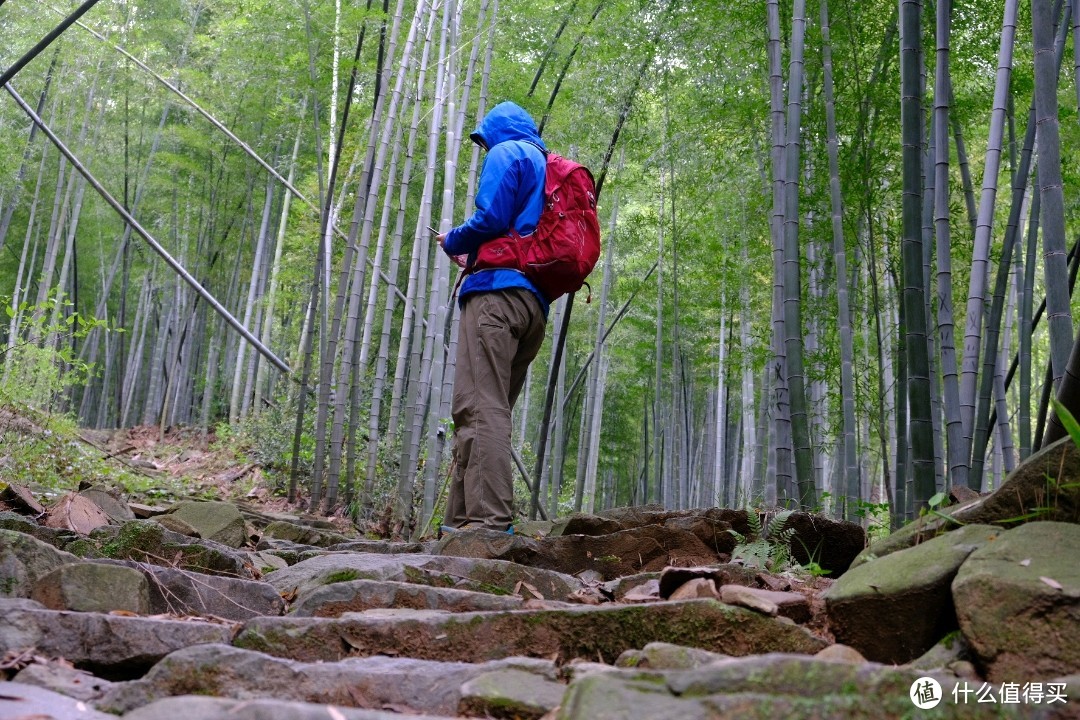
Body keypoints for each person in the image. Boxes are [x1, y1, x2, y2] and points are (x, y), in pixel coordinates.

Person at [436, 101, 549, 533]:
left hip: (495, 299)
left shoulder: (509, 152)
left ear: (496, 132)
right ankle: (461, 523)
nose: (485, 149)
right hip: (532, 304)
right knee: (487, 409)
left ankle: (486, 526)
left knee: (477, 407)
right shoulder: (544, 164)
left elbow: (491, 217)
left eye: (485, 140)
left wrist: (453, 240)